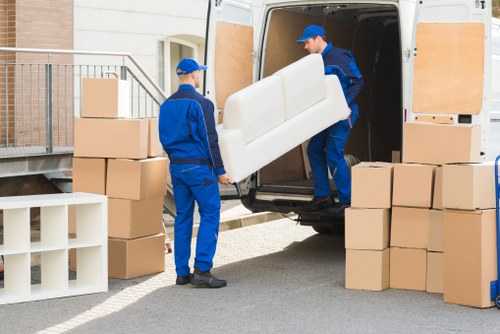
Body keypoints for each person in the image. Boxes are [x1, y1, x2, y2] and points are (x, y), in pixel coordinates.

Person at [158, 58, 232, 288]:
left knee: (183, 217)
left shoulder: (166, 104)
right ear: (193, 75)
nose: (200, 76)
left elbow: (163, 138)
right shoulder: (202, 103)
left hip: (177, 168)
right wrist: (220, 170)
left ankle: (182, 273)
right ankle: (202, 270)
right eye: (199, 72)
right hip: (198, 168)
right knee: (210, 212)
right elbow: (211, 140)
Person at [297, 25, 364, 212]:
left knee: (333, 154)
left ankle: (347, 200)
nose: (305, 46)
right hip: (325, 115)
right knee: (314, 149)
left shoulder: (339, 56)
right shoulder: (314, 62)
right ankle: (322, 196)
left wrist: (345, 104)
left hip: (343, 114)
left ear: (319, 38)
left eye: (307, 42)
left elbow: (358, 81)